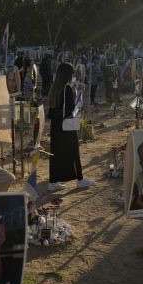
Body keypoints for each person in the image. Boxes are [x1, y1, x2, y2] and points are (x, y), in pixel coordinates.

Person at [47, 62, 92, 191]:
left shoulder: (54, 88)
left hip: (56, 126)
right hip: (67, 125)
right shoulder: (67, 89)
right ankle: (80, 179)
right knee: (74, 151)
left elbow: (52, 111)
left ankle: (53, 181)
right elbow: (71, 109)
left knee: (55, 153)